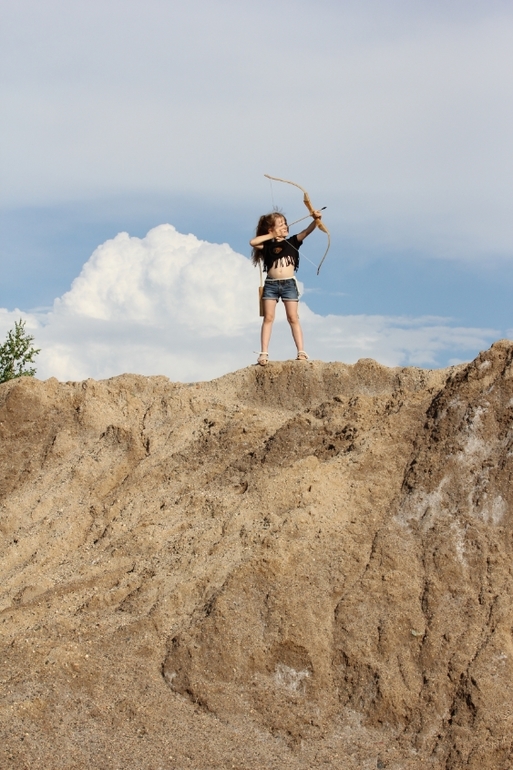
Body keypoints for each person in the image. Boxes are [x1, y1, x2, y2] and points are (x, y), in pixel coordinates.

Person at [250, 209, 322, 366]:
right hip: (271, 284)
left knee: (293, 318)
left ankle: (301, 351)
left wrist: (315, 219)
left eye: (285, 223)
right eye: (280, 224)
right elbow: (253, 242)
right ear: (271, 229)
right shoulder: (267, 245)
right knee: (268, 318)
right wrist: (271, 235)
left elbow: (307, 231)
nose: (285, 226)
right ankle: (264, 353)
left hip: (289, 284)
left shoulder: (293, 241)